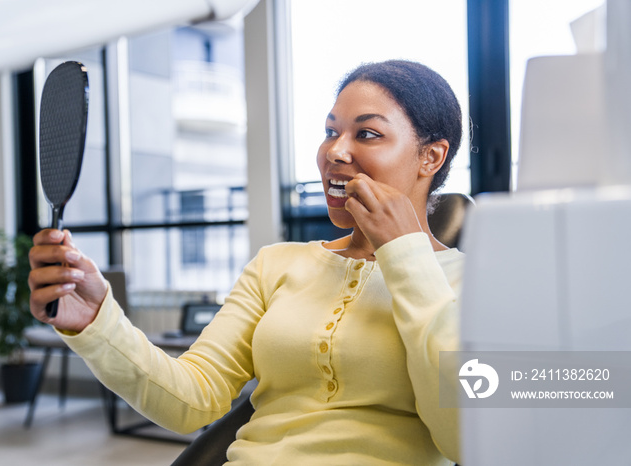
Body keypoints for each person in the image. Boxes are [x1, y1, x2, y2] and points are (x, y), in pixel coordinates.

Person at [28, 59, 465, 465]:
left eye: (366, 134)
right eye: (331, 131)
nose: (335, 151)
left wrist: (405, 253)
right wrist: (96, 320)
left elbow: (466, 437)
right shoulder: (275, 264)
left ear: (431, 156)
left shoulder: (478, 283)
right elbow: (190, 400)